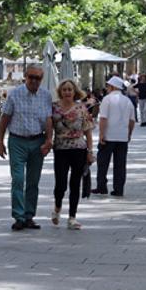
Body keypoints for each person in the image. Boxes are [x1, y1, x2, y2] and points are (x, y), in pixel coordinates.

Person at [0, 64, 53, 231]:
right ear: (25, 77)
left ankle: (29, 215)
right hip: (17, 141)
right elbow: (5, 118)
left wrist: (49, 139)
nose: (34, 81)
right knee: (18, 179)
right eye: (31, 77)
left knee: (33, 181)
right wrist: (0, 141)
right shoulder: (15, 94)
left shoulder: (46, 95)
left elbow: (49, 119)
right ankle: (18, 216)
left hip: (38, 141)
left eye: (38, 78)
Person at [50, 79, 94, 230]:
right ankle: (57, 207)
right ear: (60, 92)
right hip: (61, 149)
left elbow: (88, 131)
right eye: (64, 90)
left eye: (70, 89)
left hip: (79, 149)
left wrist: (90, 151)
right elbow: (48, 126)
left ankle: (72, 217)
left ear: (75, 91)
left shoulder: (81, 108)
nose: (67, 92)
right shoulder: (54, 108)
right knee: (60, 184)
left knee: (75, 184)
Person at [95, 76, 135, 197]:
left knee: (103, 162)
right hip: (122, 137)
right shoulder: (127, 101)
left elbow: (103, 118)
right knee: (120, 164)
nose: (107, 88)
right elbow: (132, 120)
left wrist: (101, 134)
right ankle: (119, 189)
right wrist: (129, 134)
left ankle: (101, 186)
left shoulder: (107, 99)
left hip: (109, 135)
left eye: (108, 86)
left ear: (112, 87)